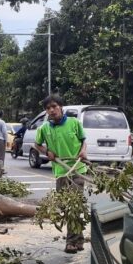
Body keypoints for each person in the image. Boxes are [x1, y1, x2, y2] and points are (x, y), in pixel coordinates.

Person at [34, 94, 87, 254]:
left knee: (74, 205)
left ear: (61, 107)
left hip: (77, 170)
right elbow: (37, 145)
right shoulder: (44, 128)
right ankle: (79, 239)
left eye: (54, 106)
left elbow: (83, 141)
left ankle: (71, 242)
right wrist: (47, 151)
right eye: (48, 108)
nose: (51, 110)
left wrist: (83, 152)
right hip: (61, 172)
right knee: (66, 207)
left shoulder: (74, 123)